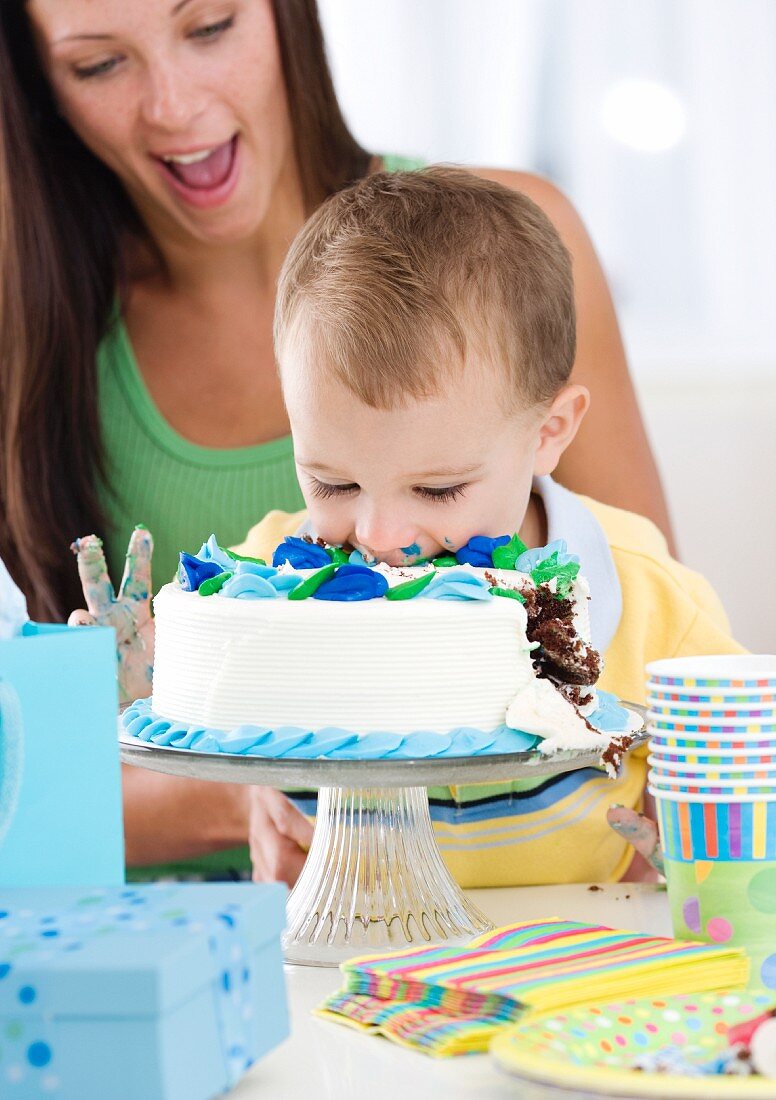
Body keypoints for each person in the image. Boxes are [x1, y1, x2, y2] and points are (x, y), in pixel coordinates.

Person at [1, 0, 673, 877]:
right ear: (39, 81)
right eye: (99, 64)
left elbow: (652, 665)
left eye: (209, 26)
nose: (173, 104)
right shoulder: (32, 323)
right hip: (226, 929)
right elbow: (31, 801)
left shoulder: (516, 252)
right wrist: (251, 760)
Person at [74, 168, 743, 886]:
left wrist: (709, 848)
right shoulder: (258, 590)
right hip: (349, 962)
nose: (381, 532)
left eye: (438, 488)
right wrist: (146, 684)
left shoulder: (644, 595)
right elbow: (189, 715)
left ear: (549, 432)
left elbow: (741, 771)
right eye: (334, 481)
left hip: (573, 954)